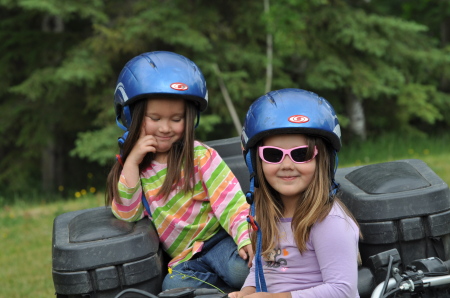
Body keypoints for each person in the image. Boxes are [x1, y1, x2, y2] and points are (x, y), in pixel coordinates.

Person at [106, 51, 253, 291]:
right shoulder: (136, 169)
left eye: (176, 119)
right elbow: (127, 214)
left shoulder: (200, 157)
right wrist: (131, 162)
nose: (165, 128)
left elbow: (231, 202)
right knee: (173, 287)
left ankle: (241, 288)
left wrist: (244, 236)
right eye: (155, 117)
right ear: (132, 115)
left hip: (219, 241)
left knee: (239, 270)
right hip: (186, 260)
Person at [230, 88, 360, 298]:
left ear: (324, 160)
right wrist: (247, 291)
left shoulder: (328, 221)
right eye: (273, 154)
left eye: (301, 154)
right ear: (255, 162)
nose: (287, 165)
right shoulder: (264, 214)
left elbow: (342, 290)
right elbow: (260, 269)